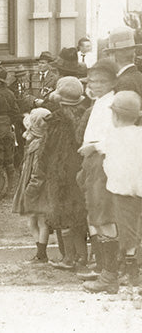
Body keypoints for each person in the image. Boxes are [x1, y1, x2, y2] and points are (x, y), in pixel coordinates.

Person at [84, 90, 142, 294]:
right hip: (138, 191)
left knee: (116, 229)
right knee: (134, 231)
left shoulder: (113, 136)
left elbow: (106, 153)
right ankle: (133, 274)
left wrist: (91, 149)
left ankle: (113, 276)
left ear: (115, 116)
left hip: (120, 191)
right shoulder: (139, 134)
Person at [36, 77, 90, 271]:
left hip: (59, 173)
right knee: (79, 215)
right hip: (80, 171)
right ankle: (82, 257)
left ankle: (68, 257)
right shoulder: (85, 114)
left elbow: (45, 150)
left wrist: (41, 169)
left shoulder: (56, 119)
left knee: (62, 216)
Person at [75, 61, 119, 284]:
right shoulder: (99, 102)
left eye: (102, 81)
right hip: (91, 162)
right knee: (95, 215)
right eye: (93, 81)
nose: (96, 85)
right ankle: (103, 268)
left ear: (113, 82)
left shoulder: (113, 103)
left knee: (104, 216)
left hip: (103, 161)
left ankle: (110, 274)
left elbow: (117, 137)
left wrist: (94, 147)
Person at [14, 107, 53, 264]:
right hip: (35, 186)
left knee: (40, 221)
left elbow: (38, 171)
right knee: (33, 221)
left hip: (37, 189)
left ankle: (41, 254)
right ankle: (40, 252)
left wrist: (30, 190)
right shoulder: (38, 143)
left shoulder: (39, 146)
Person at [0, 65, 21, 200]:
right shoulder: (10, 93)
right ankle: (11, 190)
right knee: (9, 160)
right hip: (8, 128)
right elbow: (16, 112)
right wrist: (8, 122)